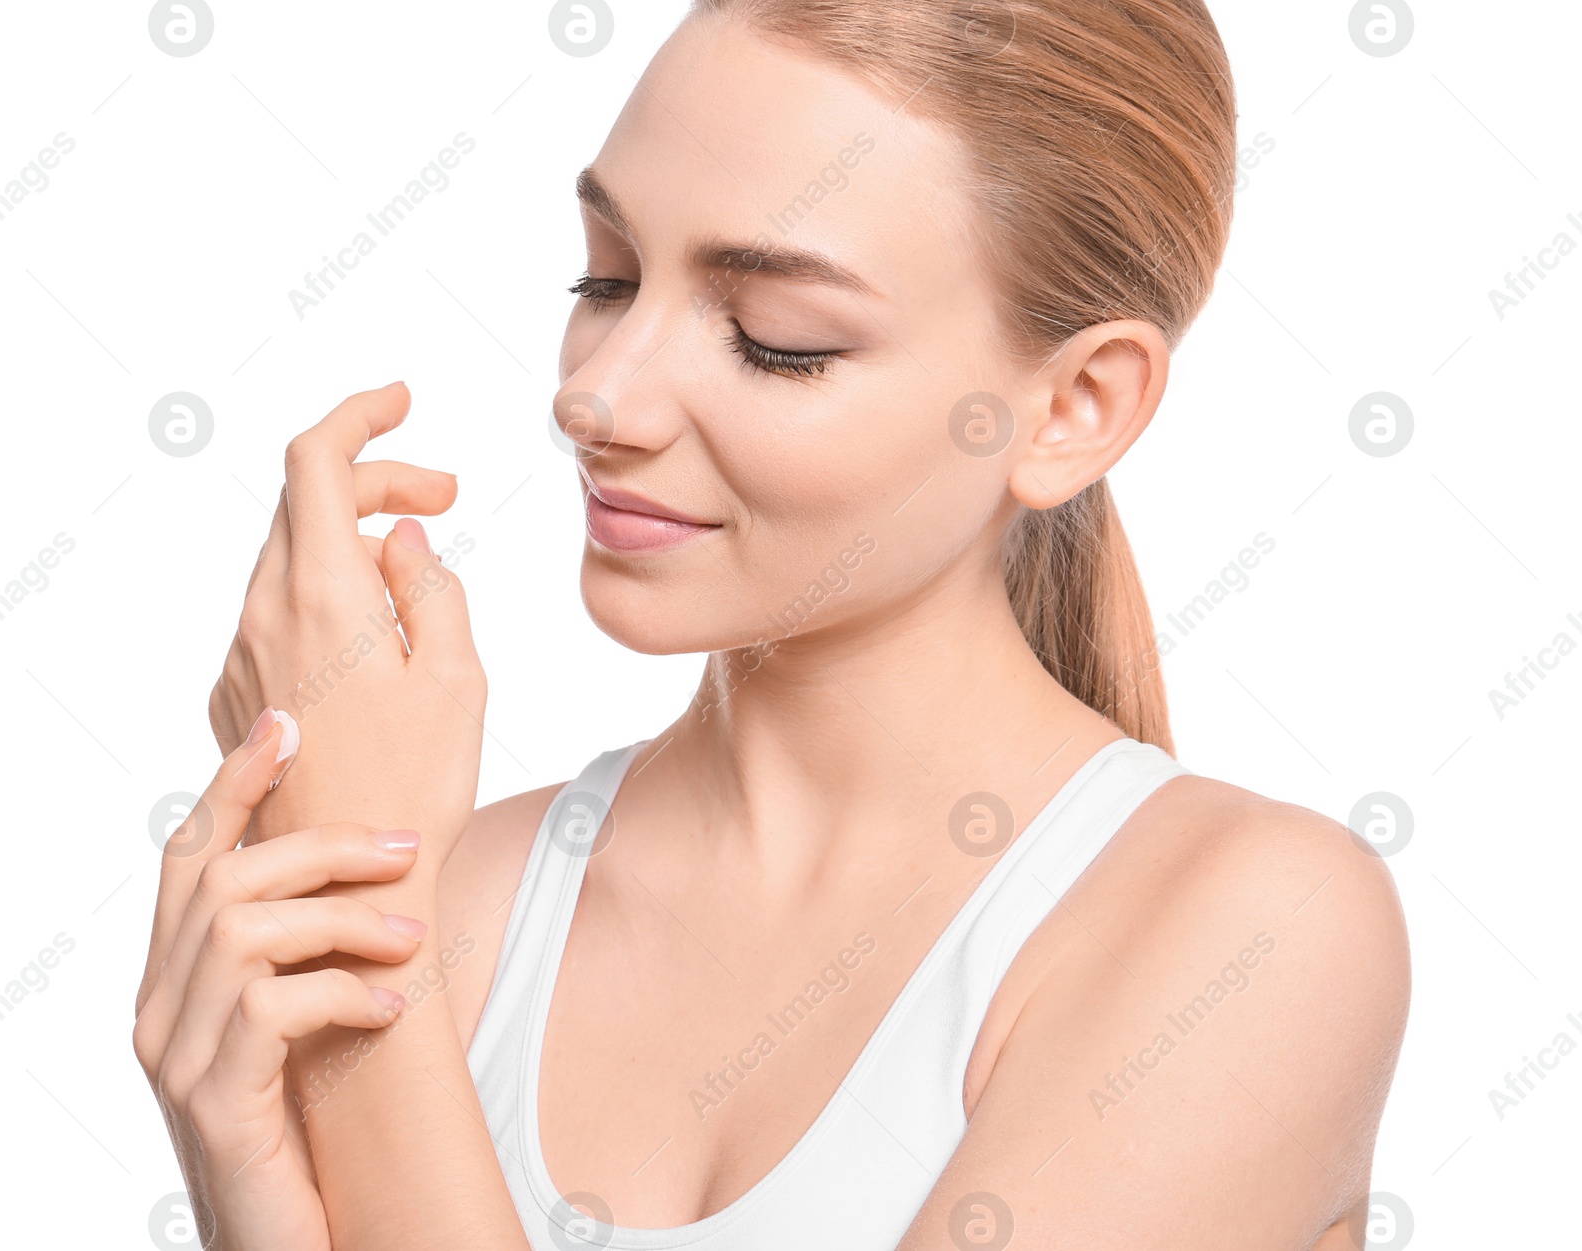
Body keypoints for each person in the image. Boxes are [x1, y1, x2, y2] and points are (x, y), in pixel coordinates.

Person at [133, 1, 1410, 1247]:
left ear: (1075, 405)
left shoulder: (1254, 937)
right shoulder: (448, 896)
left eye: (774, 340)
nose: (596, 395)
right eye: (608, 276)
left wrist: (372, 1021)